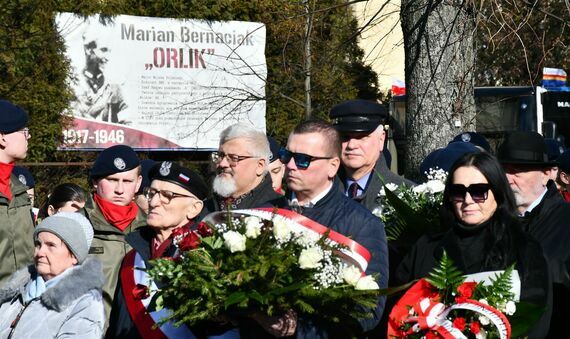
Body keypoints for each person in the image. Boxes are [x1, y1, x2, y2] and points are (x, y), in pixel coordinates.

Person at [395, 152, 551, 338]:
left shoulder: (523, 248)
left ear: (498, 193)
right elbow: (401, 310)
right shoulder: (426, 247)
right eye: (458, 192)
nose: (468, 200)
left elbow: (534, 320)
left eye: (478, 191)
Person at [278, 120, 389, 337]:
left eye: (303, 160)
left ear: (333, 166)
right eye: (286, 155)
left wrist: (296, 328)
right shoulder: (264, 212)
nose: (290, 165)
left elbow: (368, 311)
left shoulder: (363, 225)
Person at [108, 161, 238, 338]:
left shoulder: (208, 257)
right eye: (151, 193)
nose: (153, 202)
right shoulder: (133, 256)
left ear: (194, 208)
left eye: (167, 195)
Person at [497, 131, 570, 336]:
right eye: (503, 170)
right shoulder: (489, 221)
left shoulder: (565, 220)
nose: (508, 179)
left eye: (517, 170)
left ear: (548, 173)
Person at [0, 212, 105, 338]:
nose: (40, 252)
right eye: (38, 244)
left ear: (74, 256)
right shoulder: (17, 289)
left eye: (51, 245)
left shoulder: (85, 304)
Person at [80, 144, 146, 326]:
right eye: (112, 180)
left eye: (127, 181)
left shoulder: (151, 229)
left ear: (138, 183)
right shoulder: (75, 226)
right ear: (95, 181)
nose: (119, 189)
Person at [329, 99, 414, 211]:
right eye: (345, 137)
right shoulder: (318, 190)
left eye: (361, 137)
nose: (352, 145)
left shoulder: (407, 197)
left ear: (381, 139)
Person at [203, 123, 285, 214]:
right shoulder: (205, 208)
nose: (222, 164)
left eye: (234, 158)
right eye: (221, 156)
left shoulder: (278, 212)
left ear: (260, 166)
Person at [0, 100, 35, 285]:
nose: (28, 137)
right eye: (24, 132)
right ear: (2, 137)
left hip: (21, 304)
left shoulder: (18, 189)